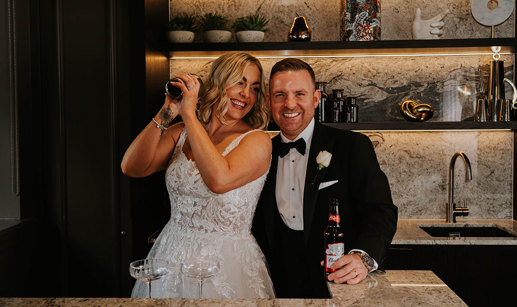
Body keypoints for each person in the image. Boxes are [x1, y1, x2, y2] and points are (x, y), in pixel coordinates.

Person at [122, 52, 275, 298]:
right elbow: (132, 167)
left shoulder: (257, 140)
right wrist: (168, 111)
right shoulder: (181, 131)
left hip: (225, 265)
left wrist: (190, 113)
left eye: (254, 88)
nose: (247, 94)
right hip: (171, 254)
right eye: (239, 82)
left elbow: (218, 180)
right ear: (218, 83)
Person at [252, 58, 398, 298]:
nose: (289, 104)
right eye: (279, 95)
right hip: (274, 288)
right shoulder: (259, 152)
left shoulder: (352, 146)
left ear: (316, 99)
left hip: (337, 286)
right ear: (269, 102)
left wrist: (362, 258)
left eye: (299, 93)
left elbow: (380, 211)